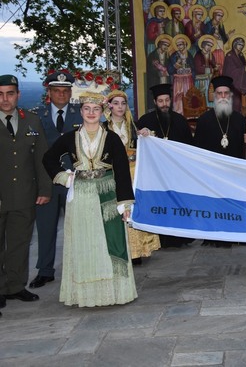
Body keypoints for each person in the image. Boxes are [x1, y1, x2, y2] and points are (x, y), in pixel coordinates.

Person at [42, 92, 137, 307]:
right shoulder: (70, 137)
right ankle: (86, 294)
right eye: (87, 109)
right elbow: (48, 158)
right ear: (81, 111)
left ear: (102, 112)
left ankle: (115, 293)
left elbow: (121, 171)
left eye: (95, 109)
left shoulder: (111, 138)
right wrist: (64, 177)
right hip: (81, 197)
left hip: (107, 194)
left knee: (108, 244)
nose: (91, 113)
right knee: (84, 242)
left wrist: (125, 204)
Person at [0, 74, 51, 308]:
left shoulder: (31, 120)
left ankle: (16, 286)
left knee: (20, 243)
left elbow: (41, 158)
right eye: (0, 94)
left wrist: (45, 189)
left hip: (23, 193)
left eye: (10, 93)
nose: (5, 99)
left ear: (18, 95)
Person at [29, 71, 82, 289]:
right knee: (46, 226)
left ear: (70, 93)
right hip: (47, 181)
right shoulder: (36, 115)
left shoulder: (81, 113)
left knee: (78, 226)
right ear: (49, 93)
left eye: (65, 91)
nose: (61, 95)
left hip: (75, 180)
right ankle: (45, 270)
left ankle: (79, 267)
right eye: (56, 91)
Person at [104, 90, 161, 265]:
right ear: (110, 106)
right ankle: (120, 248)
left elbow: (147, 144)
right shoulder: (103, 128)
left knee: (133, 209)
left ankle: (137, 251)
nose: (120, 107)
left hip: (133, 172)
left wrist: (147, 134)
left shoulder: (133, 126)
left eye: (123, 103)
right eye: (116, 103)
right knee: (117, 210)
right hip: (114, 173)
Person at [137, 83, 194, 248]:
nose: (164, 104)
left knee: (176, 204)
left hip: (176, 173)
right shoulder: (145, 122)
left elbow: (189, 147)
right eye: (160, 101)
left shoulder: (180, 121)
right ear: (155, 102)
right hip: (154, 173)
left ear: (171, 100)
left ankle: (178, 238)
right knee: (159, 204)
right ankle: (159, 240)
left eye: (167, 100)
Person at [194, 76, 246, 158]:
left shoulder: (239, 119)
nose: (223, 96)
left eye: (226, 93)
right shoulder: (204, 120)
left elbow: (245, 151)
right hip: (212, 167)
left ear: (230, 95)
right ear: (214, 95)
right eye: (219, 93)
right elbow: (198, 149)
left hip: (233, 167)